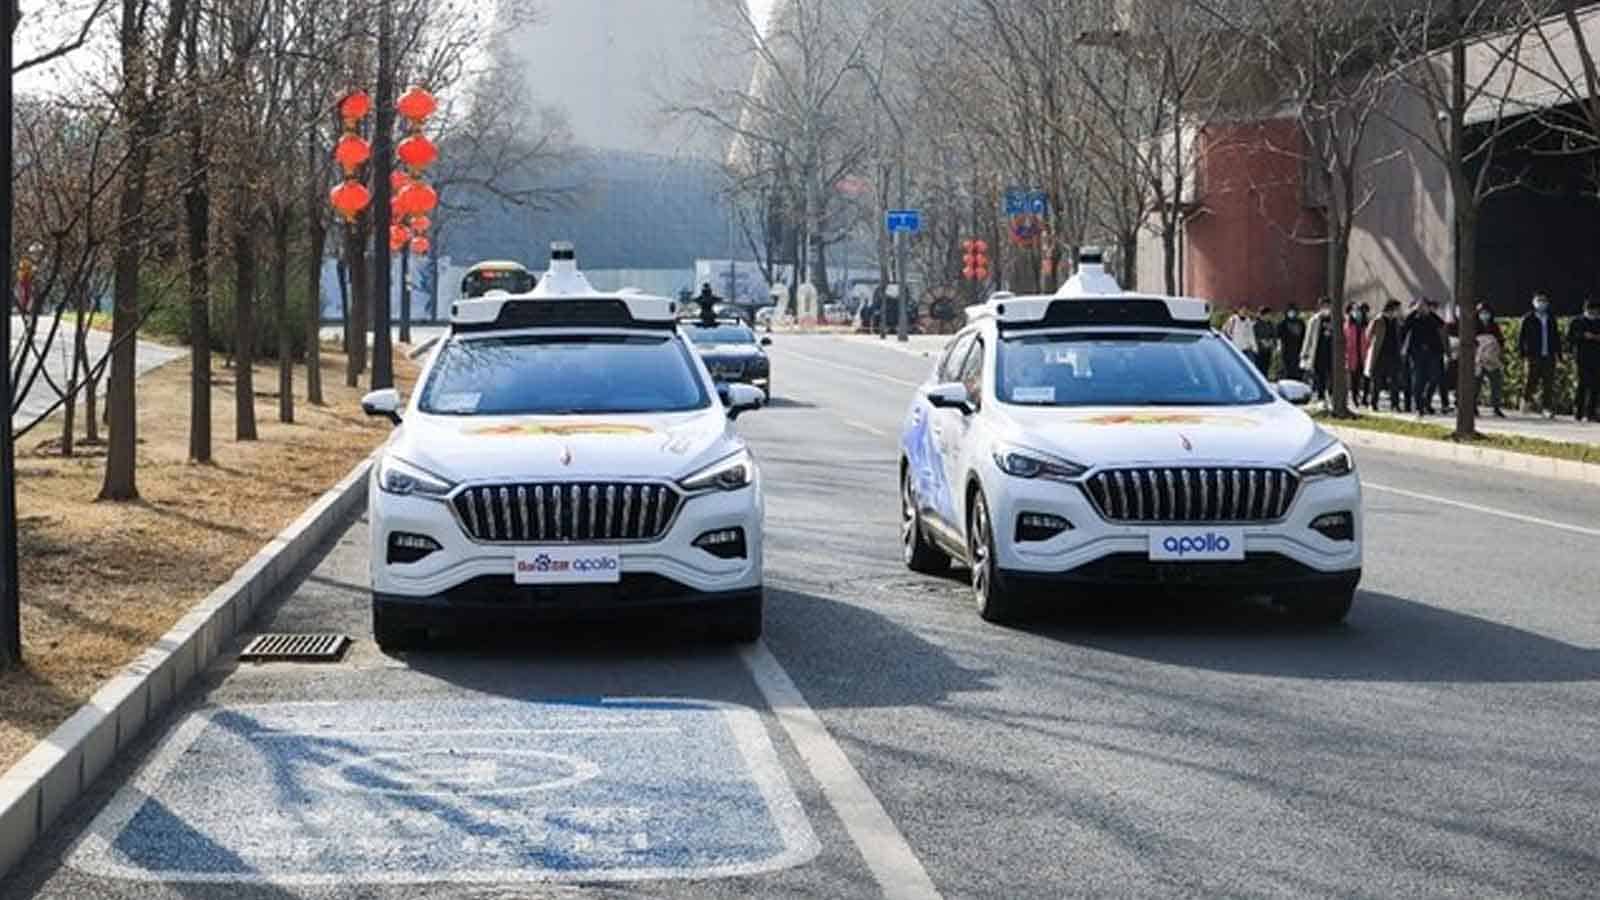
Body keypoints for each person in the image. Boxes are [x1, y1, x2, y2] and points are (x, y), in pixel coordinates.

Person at [1518, 293, 1563, 418]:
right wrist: (1523, 354)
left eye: (1544, 300)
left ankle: (1546, 408)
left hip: (1548, 354)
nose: (1541, 303)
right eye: (1539, 300)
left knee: (1548, 382)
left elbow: (1556, 337)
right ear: (1534, 302)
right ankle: (1525, 403)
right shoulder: (1528, 318)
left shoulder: (1551, 318)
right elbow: (1522, 338)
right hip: (1533, 355)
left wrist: (1559, 355)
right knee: (1531, 380)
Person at [1402, 298, 1446, 417]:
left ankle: (1426, 401)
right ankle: (1419, 406)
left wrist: (1430, 313)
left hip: (1433, 353)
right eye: (1419, 307)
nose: (1421, 309)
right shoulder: (1413, 318)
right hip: (1416, 354)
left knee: (1434, 378)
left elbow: (1442, 325)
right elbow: (1404, 328)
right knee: (1418, 380)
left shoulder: (1433, 318)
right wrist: (1413, 312)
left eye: (1424, 306)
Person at [1364, 299, 1404, 411]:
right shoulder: (1378, 320)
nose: (1399, 311)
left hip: (1394, 354)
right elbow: (1368, 334)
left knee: (1394, 381)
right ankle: (1373, 403)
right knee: (1377, 380)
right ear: (1392, 309)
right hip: (1380, 354)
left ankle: (1395, 404)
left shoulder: (1396, 321)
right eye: (1398, 309)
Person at [1474, 303, 1507, 419]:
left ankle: (1496, 407)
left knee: (1496, 383)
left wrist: (1498, 353)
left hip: (1492, 360)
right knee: (1476, 384)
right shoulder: (1473, 326)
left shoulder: (1494, 326)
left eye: (1487, 313)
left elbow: (1501, 341)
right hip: (1478, 360)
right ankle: (1473, 407)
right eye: (1482, 313)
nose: (1484, 315)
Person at [1300, 297, 1335, 403]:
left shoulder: (1335, 319)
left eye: (1328, 306)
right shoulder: (1314, 320)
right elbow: (1308, 337)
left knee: (1332, 375)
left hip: (1332, 352)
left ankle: (1331, 394)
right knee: (1320, 375)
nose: (1326, 308)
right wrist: (1304, 352)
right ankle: (1321, 396)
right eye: (1324, 306)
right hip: (1318, 352)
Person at [1571, 298, 1600, 422]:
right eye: (1591, 310)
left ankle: (1591, 412)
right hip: (1582, 358)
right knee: (1582, 385)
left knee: (1596, 386)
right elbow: (1571, 337)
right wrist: (1584, 335)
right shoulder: (1577, 322)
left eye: (1596, 311)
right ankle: (1579, 411)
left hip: (1597, 358)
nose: (1594, 313)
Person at [1345, 304, 1370, 408]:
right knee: (1354, 378)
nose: (1357, 313)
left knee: (1366, 378)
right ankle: (1355, 398)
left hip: (1364, 355)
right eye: (1354, 311)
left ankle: (1365, 398)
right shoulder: (1348, 325)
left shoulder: (1366, 325)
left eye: (1358, 311)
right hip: (1352, 355)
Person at [1278, 303, 1306, 381]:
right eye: (1290, 311)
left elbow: (1304, 337)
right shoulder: (1282, 324)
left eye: (1293, 311)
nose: (1292, 313)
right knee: (1288, 369)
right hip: (1287, 350)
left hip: (1298, 350)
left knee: (1298, 369)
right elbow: (1279, 337)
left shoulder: (1301, 323)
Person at [1252, 306, 1277, 374]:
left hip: (1268, 350)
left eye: (1269, 315)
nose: (1268, 316)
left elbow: (1274, 335)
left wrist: (1272, 342)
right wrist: (1261, 341)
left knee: (1266, 367)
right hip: (1259, 351)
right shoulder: (1255, 324)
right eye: (1266, 315)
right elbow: (1253, 337)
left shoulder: (1271, 324)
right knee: (1259, 368)